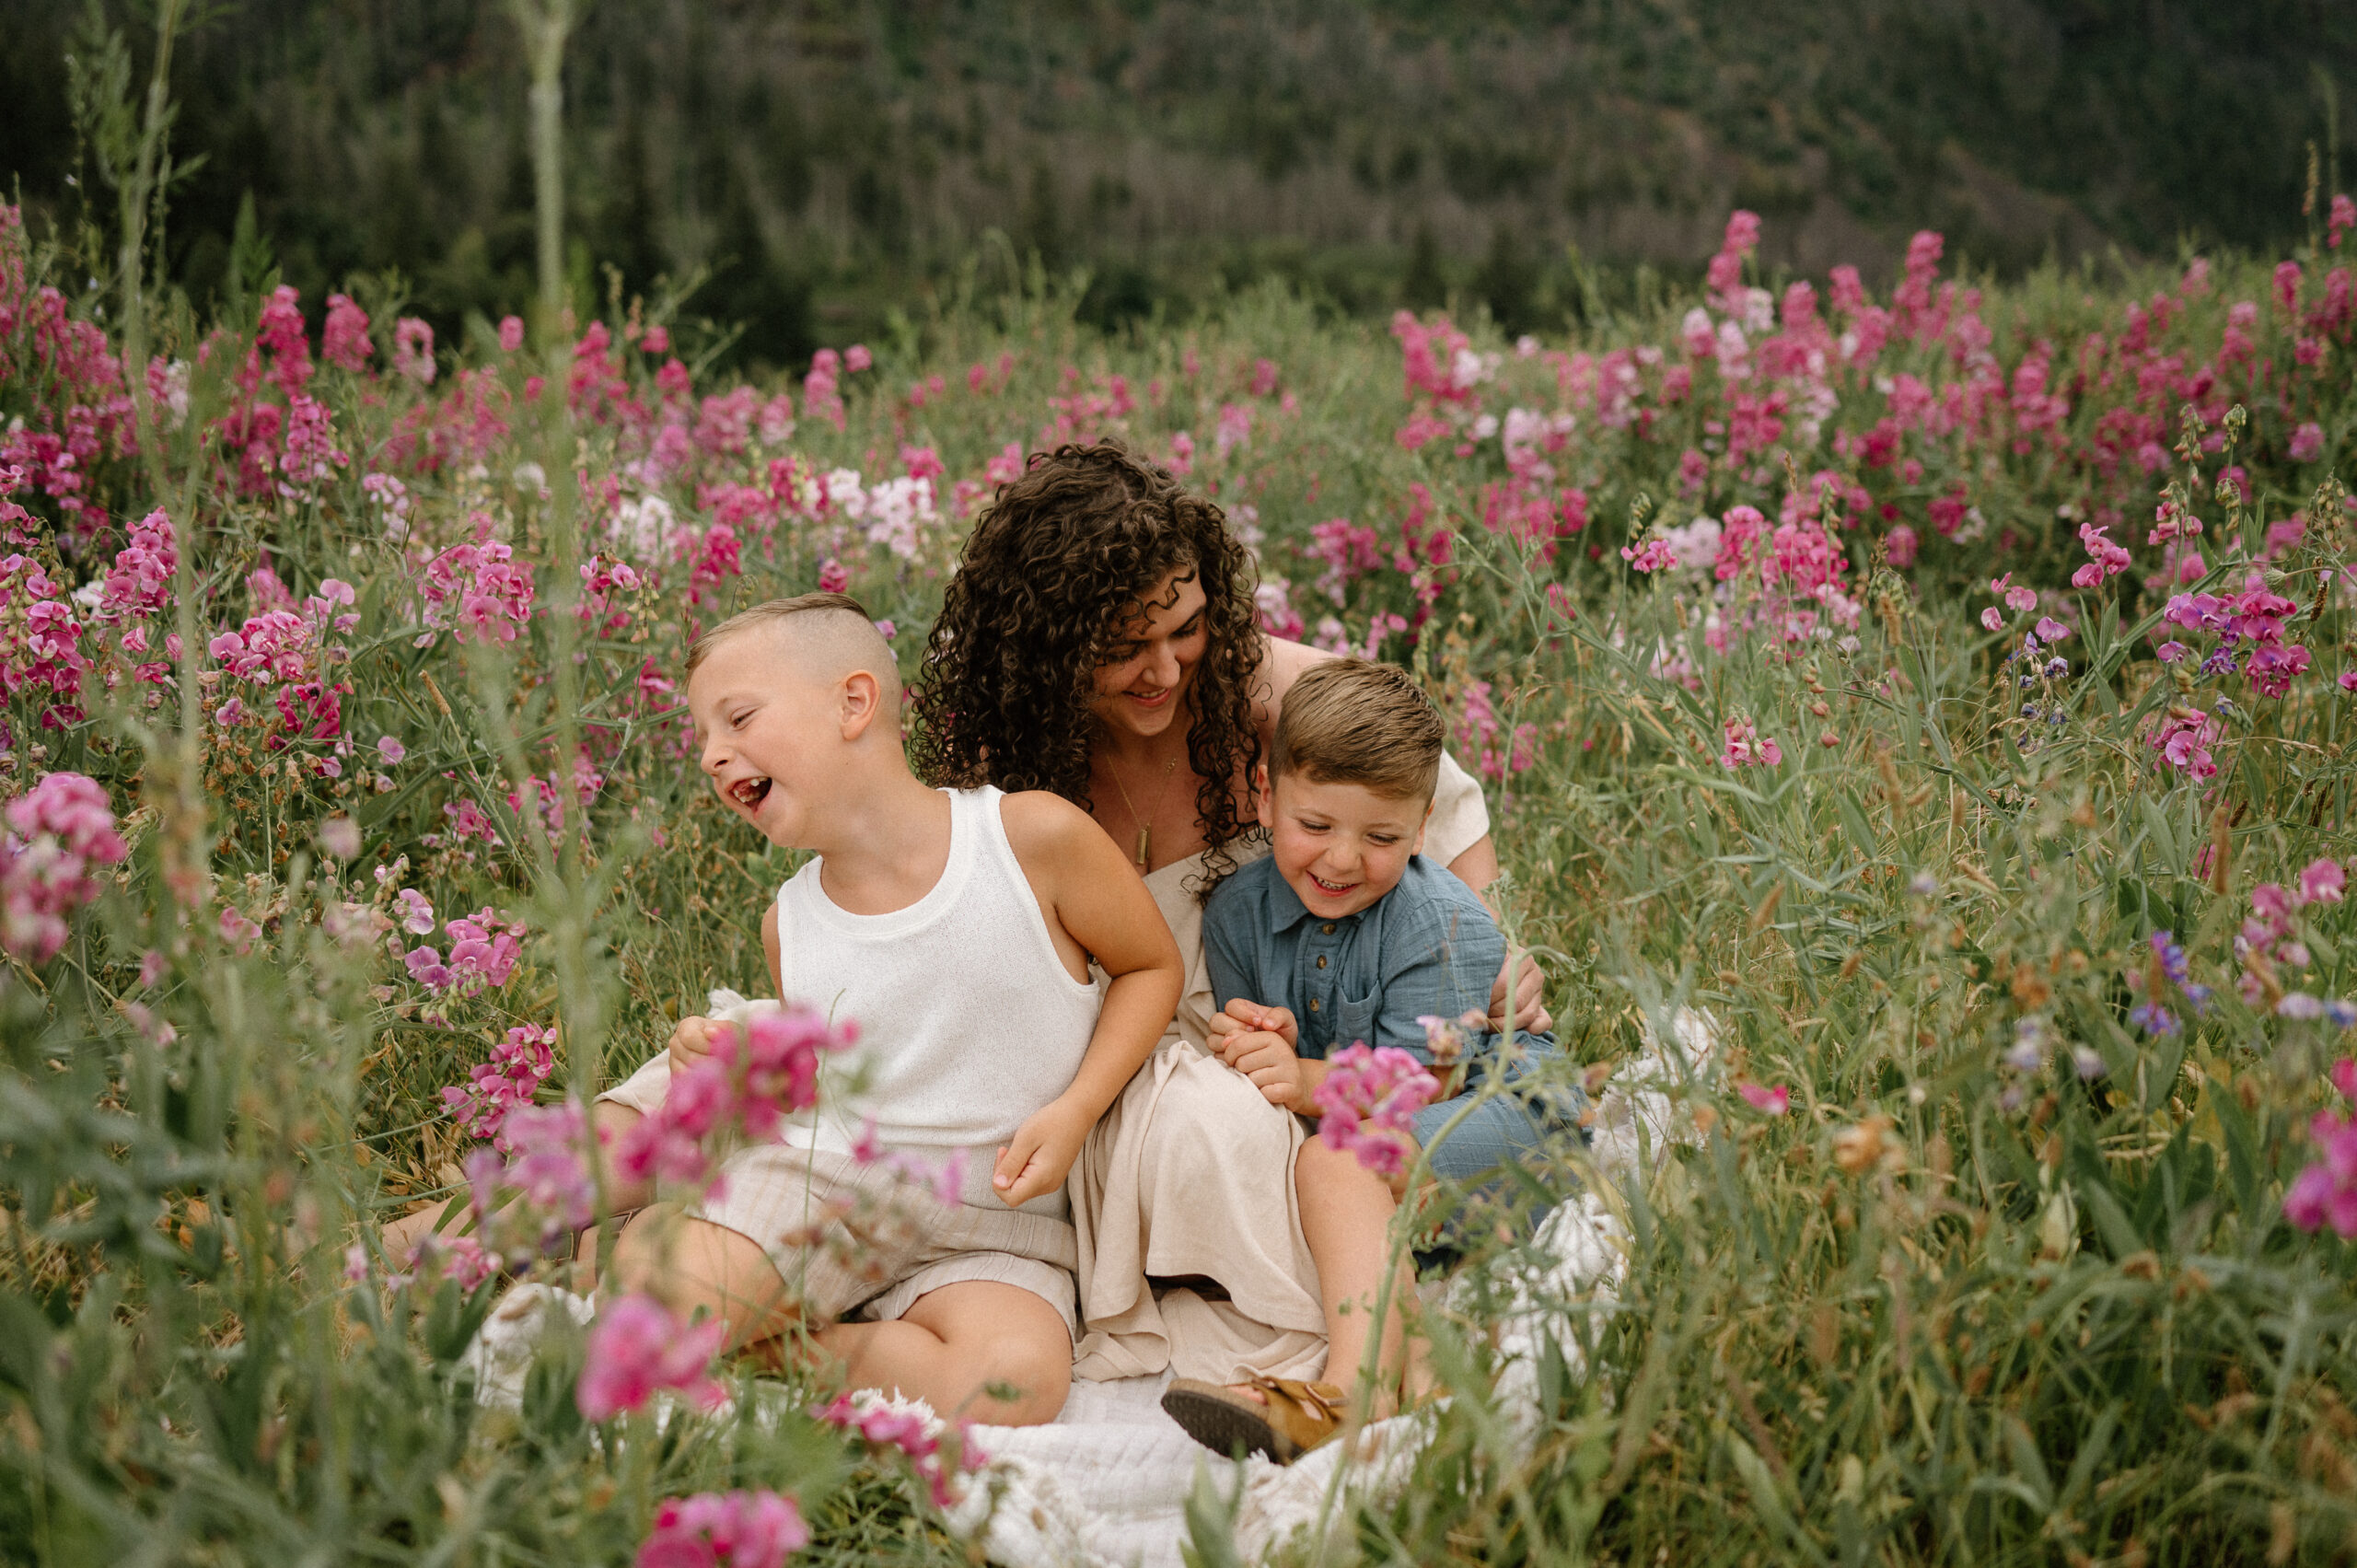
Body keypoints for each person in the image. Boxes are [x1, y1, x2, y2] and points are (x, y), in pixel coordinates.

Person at [911, 440, 1553, 1396]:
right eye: (1122, 646)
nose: (1163, 669)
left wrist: (1491, 945)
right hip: (1122, 1051)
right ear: (1046, 649)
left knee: (1304, 1160)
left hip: (1319, 1040)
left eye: (1185, 627)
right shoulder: (1012, 758)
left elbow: (1436, 803)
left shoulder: (1268, 695)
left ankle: (1366, 1362)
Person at [586, 592, 1183, 1427]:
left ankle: (756, 1328)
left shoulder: (1028, 839)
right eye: (704, 742)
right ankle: (686, 1275)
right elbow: (828, 1093)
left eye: (740, 720)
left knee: (1016, 1382)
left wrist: (1078, 1108)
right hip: (834, 1185)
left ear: (854, 703)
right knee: (681, 1292)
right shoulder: (788, 923)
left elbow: (1151, 965)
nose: (715, 758)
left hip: (996, 1219)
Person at [1160, 658, 1582, 1461]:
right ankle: (1422, 1374)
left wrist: (1308, 1078)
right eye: (1315, 825)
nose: (1344, 859)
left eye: (1382, 837)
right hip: (1394, 1148)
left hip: (1507, 1108)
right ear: (1265, 794)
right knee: (1326, 1168)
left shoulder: (1434, 916)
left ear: (1422, 830)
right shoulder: (1237, 915)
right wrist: (1264, 1037)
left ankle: (1349, 1394)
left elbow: (1437, 1076)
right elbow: (1264, 1050)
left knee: (1335, 1161)